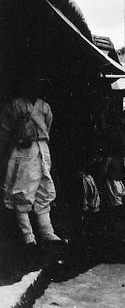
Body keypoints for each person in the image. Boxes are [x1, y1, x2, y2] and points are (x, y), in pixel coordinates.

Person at [0, 78, 62, 245]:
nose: (35, 87)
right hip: (23, 151)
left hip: (41, 148)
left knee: (44, 188)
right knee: (22, 191)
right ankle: (28, 236)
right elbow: (5, 129)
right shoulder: (15, 106)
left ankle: (47, 232)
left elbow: (48, 126)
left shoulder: (44, 106)